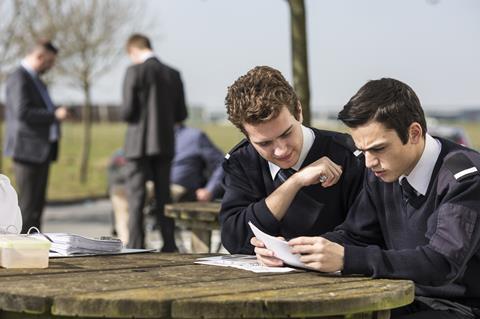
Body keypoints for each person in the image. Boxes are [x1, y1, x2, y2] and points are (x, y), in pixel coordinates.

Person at [255, 78, 480, 318]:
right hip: (401, 299)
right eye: (362, 151)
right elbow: (355, 236)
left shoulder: (464, 179)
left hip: (461, 309)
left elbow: (442, 262)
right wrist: (293, 251)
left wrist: (346, 259)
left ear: (414, 133)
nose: (369, 162)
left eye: (378, 148)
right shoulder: (381, 171)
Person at [220, 65, 365, 255]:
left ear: (298, 110)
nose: (281, 151)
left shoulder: (351, 157)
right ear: (246, 137)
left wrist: (287, 250)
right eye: (264, 144)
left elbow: (364, 234)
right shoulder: (242, 161)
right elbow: (234, 239)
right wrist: (295, 182)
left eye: (287, 133)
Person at [121, 33, 187, 251]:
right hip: (164, 142)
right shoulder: (173, 74)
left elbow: (128, 111)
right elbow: (181, 113)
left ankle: (136, 244)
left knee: (136, 198)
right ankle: (169, 244)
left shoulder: (134, 71)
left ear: (133, 51)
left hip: (137, 145)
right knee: (163, 197)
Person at [108, 123, 225, 245]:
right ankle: (126, 242)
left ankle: (142, 244)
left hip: (179, 187)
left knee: (145, 194)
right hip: (151, 184)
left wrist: (209, 190)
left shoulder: (195, 136)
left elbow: (221, 163)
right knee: (120, 192)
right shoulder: (151, 135)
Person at [3, 40, 67, 233]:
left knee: (37, 207)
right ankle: (23, 254)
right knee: (28, 207)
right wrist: (54, 115)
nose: (51, 67)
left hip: (41, 151)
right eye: (49, 62)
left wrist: (54, 111)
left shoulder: (36, 80)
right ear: (39, 57)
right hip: (27, 150)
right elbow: (22, 112)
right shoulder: (19, 78)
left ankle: (35, 249)